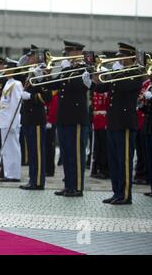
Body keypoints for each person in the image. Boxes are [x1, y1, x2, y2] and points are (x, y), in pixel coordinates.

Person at [91, 42, 143, 205]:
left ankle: (126, 195)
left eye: (122, 57)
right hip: (113, 122)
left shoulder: (136, 72)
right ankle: (117, 192)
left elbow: (124, 86)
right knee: (114, 160)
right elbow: (102, 88)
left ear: (130, 58)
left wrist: (114, 73)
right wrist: (91, 79)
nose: (119, 60)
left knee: (124, 160)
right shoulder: (120, 73)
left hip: (125, 123)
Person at [46, 40, 90, 197]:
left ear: (78, 52)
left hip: (77, 118)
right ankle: (69, 185)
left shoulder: (84, 68)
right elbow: (54, 85)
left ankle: (77, 187)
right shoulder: (68, 69)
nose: (67, 55)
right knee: (66, 153)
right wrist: (45, 75)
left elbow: (77, 86)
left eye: (69, 52)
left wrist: (65, 70)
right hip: (64, 118)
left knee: (77, 154)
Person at [19, 46, 52, 190]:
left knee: (38, 152)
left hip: (37, 119)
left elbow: (47, 97)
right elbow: (17, 70)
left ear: (36, 57)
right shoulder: (31, 72)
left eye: (30, 57)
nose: (28, 59)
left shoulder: (42, 73)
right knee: (32, 151)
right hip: (28, 118)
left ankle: (38, 181)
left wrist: (30, 96)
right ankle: (33, 179)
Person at [0, 60, 23, 182]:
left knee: (13, 147)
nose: (5, 71)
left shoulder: (17, 84)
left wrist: (13, 123)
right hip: (4, 121)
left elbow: (16, 105)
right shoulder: (8, 83)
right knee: (7, 149)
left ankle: (14, 174)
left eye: (8, 69)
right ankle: (8, 173)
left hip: (11, 121)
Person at [140, 74, 152, 198]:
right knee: (150, 160)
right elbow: (150, 109)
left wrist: (151, 99)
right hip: (149, 127)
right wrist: (143, 106)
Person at [90, 90, 109, 179]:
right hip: (96, 122)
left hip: (103, 122)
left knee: (104, 148)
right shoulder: (94, 91)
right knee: (96, 147)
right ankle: (96, 168)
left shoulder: (106, 91)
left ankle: (104, 169)